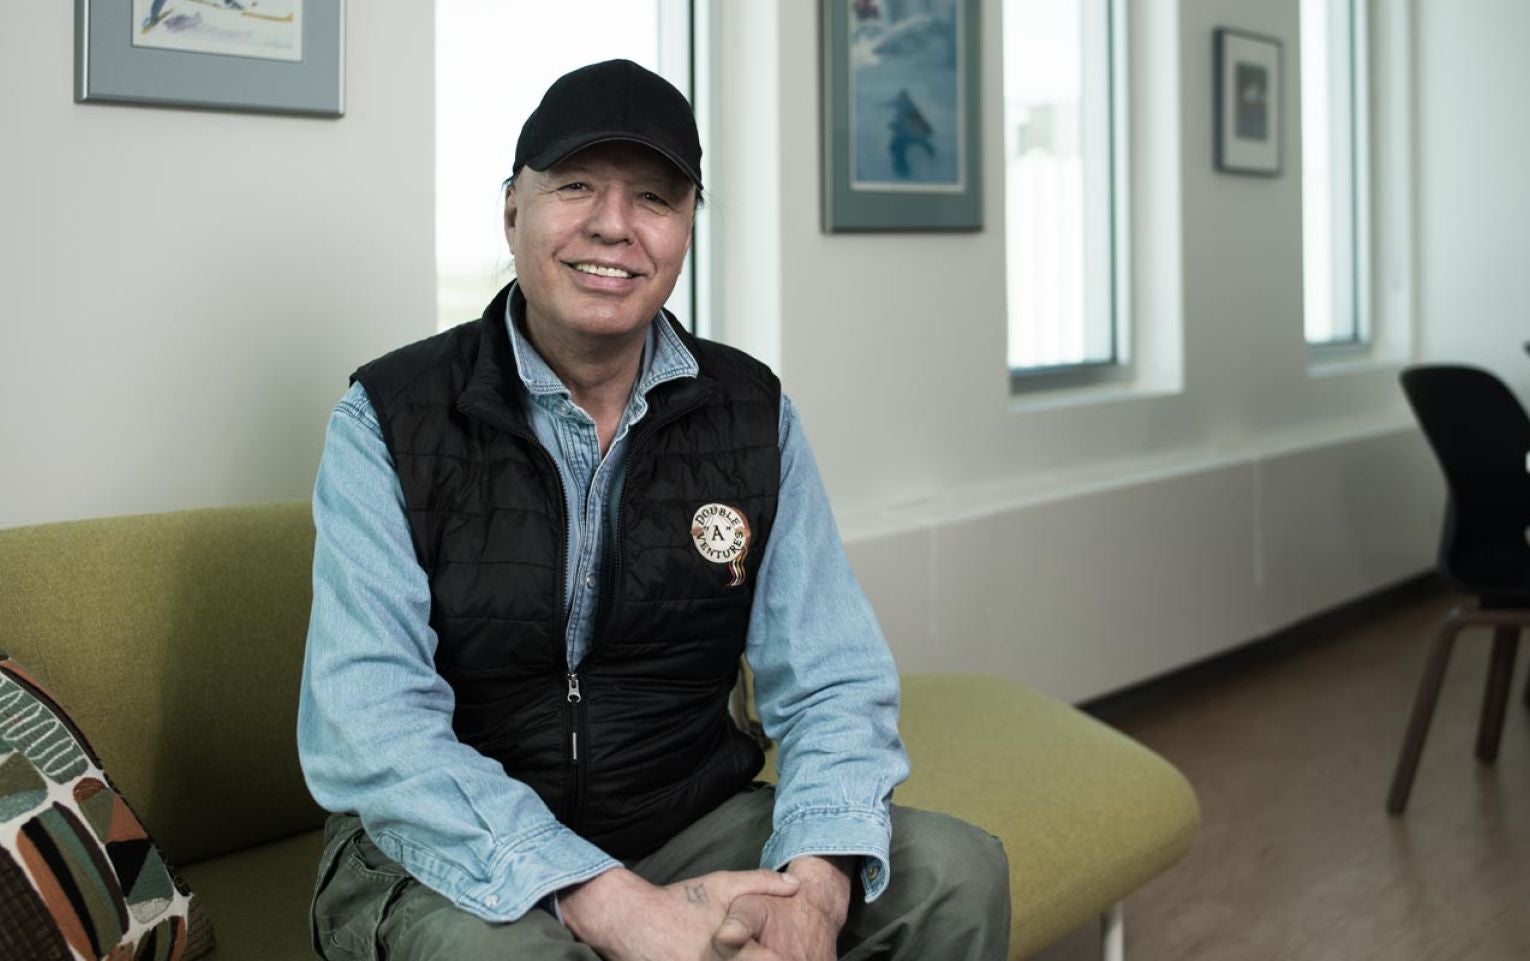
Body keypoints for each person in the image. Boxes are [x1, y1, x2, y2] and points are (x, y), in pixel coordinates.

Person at [297, 59, 1009, 960]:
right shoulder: (387, 418)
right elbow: (372, 727)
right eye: (576, 187)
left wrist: (814, 886)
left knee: (955, 874)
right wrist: (608, 899)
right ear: (512, 210)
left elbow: (833, 679)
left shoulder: (750, 412)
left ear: (685, 232)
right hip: (442, 850)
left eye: (656, 199)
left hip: (684, 818)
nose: (613, 225)